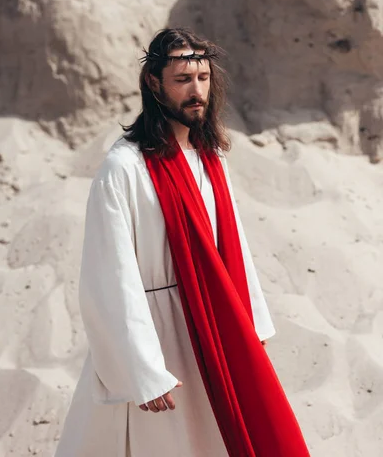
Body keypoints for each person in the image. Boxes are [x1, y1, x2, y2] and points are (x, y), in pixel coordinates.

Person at [55, 28, 310, 457]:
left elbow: (234, 247)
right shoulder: (124, 168)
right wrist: (142, 370)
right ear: (154, 83)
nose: (197, 92)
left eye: (204, 78)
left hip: (215, 328)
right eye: (183, 80)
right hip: (160, 342)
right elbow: (110, 276)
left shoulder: (212, 156)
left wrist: (250, 323)